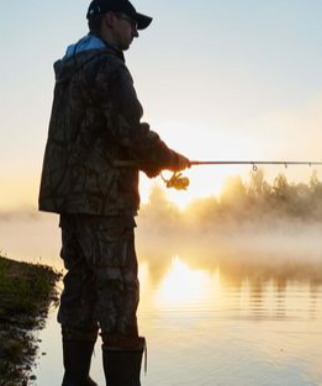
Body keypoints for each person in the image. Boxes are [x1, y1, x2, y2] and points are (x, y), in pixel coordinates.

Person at [38, 0, 190, 384]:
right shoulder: (107, 66)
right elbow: (129, 131)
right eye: (131, 23)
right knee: (119, 293)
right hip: (105, 202)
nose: (135, 32)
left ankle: (75, 379)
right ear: (109, 19)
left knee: (81, 286)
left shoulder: (70, 70)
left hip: (71, 201)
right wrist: (169, 159)